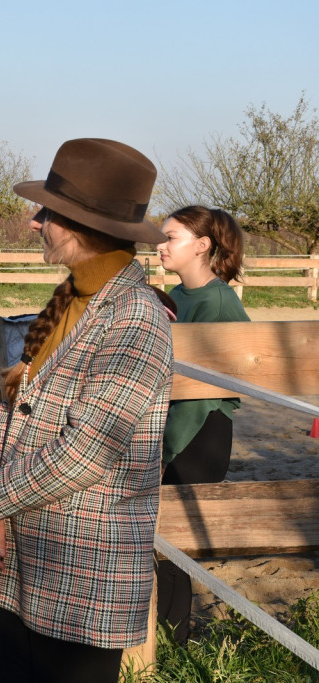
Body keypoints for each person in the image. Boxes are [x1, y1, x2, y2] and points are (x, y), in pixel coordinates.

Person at [0, 138, 174, 683]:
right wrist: (1, 512)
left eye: (48, 211)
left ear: (79, 226)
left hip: (85, 576)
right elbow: (26, 423)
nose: (35, 222)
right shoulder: (76, 298)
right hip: (30, 562)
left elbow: (88, 450)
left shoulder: (135, 319)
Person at [155, 205, 250, 643]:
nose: (160, 245)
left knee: (171, 541)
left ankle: (171, 638)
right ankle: (162, 634)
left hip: (197, 431)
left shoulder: (215, 301)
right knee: (159, 538)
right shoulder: (179, 295)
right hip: (173, 426)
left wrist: (162, 451)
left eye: (170, 237)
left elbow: (201, 391)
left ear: (202, 245)